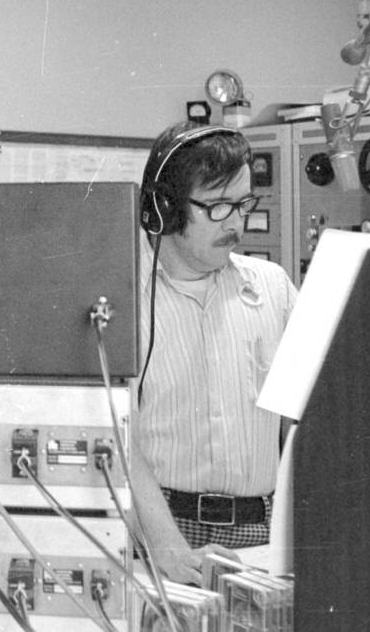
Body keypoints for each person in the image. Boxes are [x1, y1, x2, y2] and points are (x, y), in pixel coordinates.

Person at [127, 121, 297, 585]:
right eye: (218, 206)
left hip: (264, 532)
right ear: (165, 208)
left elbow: (301, 425)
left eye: (243, 204)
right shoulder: (122, 300)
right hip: (162, 534)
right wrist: (168, 549)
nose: (236, 223)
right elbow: (117, 440)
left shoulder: (273, 289)